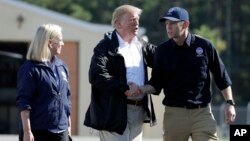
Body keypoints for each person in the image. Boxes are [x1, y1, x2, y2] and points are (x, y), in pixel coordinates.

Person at [141, 7, 236, 141]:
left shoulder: (205, 46)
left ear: (185, 24)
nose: (168, 27)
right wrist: (141, 89)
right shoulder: (162, 51)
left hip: (202, 113)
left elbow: (222, 76)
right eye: (166, 23)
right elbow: (156, 83)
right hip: (174, 115)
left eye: (172, 23)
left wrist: (229, 103)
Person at [84, 4, 157, 141]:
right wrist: (125, 88)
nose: (136, 23)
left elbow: (164, 60)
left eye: (137, 19)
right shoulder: (105, 47)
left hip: (138, 111)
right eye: (131, 19)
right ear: (118, 23)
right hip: (113, 111)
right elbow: (97, 75)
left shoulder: (142, 46)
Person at [16, 24, 72, 141]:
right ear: (50, 43)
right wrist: (27, 131)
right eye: (60, 41)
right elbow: (24, 102)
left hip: (61, 131)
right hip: (38, 131)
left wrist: (68, 125)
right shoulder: (29, 69)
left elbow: (66, 98)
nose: (62, 44)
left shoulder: (62, 66)